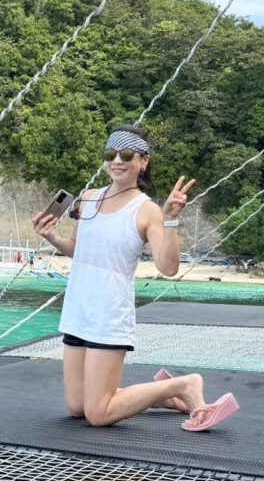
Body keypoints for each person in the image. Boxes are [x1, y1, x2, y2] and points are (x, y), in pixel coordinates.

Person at [31, 125, 232, 431]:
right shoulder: (88, 199)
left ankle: (182, 385)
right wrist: (51, 237)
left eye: (126, 155)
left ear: (143, 161)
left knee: (97, 415)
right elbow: (78, 250)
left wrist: (171, 220)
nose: (117, 161)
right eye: (111, 154)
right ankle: (157, 396)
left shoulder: (147, 210)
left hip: (109, 315)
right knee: (77, 408)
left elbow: (168, 268)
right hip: (78, 310)